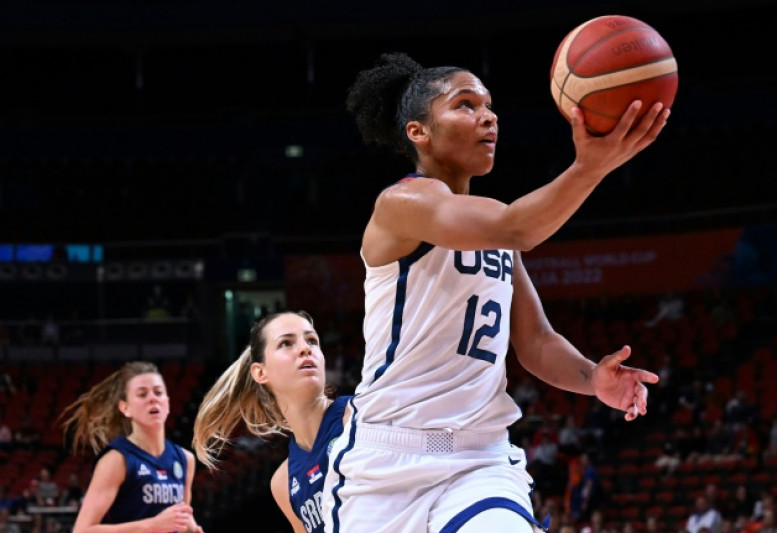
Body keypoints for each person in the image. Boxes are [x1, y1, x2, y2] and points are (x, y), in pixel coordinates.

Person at [324, 52, 669, 533]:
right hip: (385, 462)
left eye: (489, 106)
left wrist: (593, 378)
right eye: (465, 105)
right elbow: (517, 228)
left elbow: (536, 342)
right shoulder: (402, 203)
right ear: (418, 132)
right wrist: (590, 168)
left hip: (479, 460)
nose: (488, 117)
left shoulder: (494, 229)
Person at [192, 311, 350, 533]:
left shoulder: (361, 416)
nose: (306, 348)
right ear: (260, 372)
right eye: (286, 343)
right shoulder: (283, 482)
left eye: (312, 340)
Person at [60, 361, 202, 533]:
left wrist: (192, 529)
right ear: (125, 408)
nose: (152, 398)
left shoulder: (185, 459)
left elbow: (181, 517)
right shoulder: (117, 460)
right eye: (142, 394)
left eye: (158, 392)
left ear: (168, 403)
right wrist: (151, 526)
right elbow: (82, 530)